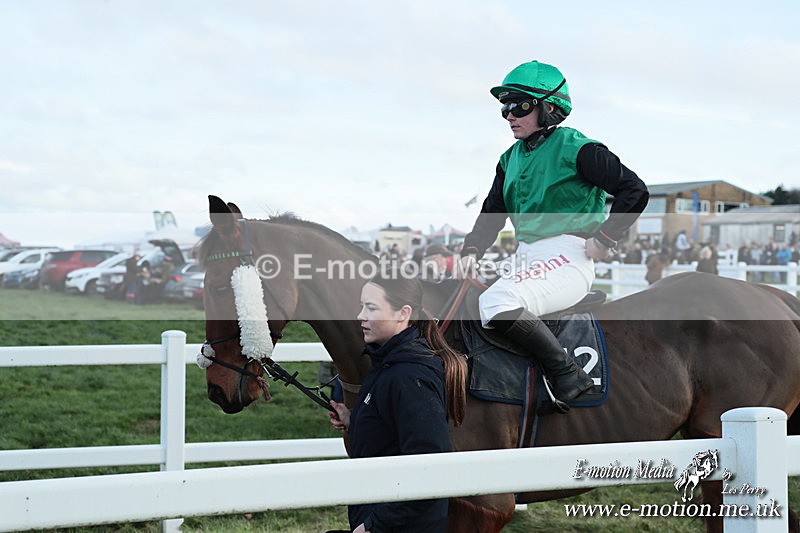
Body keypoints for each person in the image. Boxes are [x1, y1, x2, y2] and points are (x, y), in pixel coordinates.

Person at [458, 60, 649, 410]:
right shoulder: (508, 159)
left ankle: (567, 374)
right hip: (526, 257)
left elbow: (634, 190)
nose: (509, 115)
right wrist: (471, 249)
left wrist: (605, 237)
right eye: (504, 107)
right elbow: (491, 214)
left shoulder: (579, 148)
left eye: (519, 106)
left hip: (569, 258)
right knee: (462, 298)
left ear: (548, 108)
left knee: (497, 303)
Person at [327, 273, 467, 533]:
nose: (360, 316)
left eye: (371, 308)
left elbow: (429, 467)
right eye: (362, 306)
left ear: (403, 313)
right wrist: (356, 418)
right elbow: (391, 429)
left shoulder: (409, 376)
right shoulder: (386, 362)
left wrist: (373, 526)